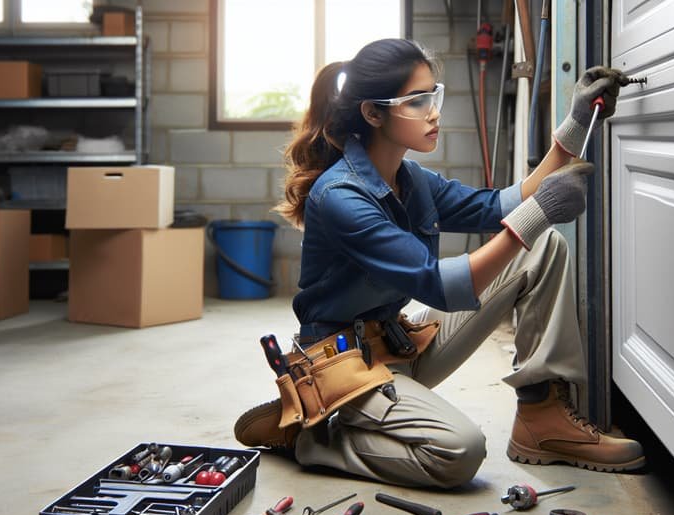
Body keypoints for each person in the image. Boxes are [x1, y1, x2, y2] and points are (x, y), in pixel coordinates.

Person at [234, 38, 643, 488]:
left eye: (435, 96)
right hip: (342, 368)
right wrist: (539, 210)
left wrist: (575, 124)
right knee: (459, 451)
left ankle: (542, 418)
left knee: (541, 247)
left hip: (396, 342)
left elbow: (500, 205)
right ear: (373, 113)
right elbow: (437, 285)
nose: (433, 112)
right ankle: (318, 438)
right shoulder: (340, 197)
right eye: (417, 102)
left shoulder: (410, 178)